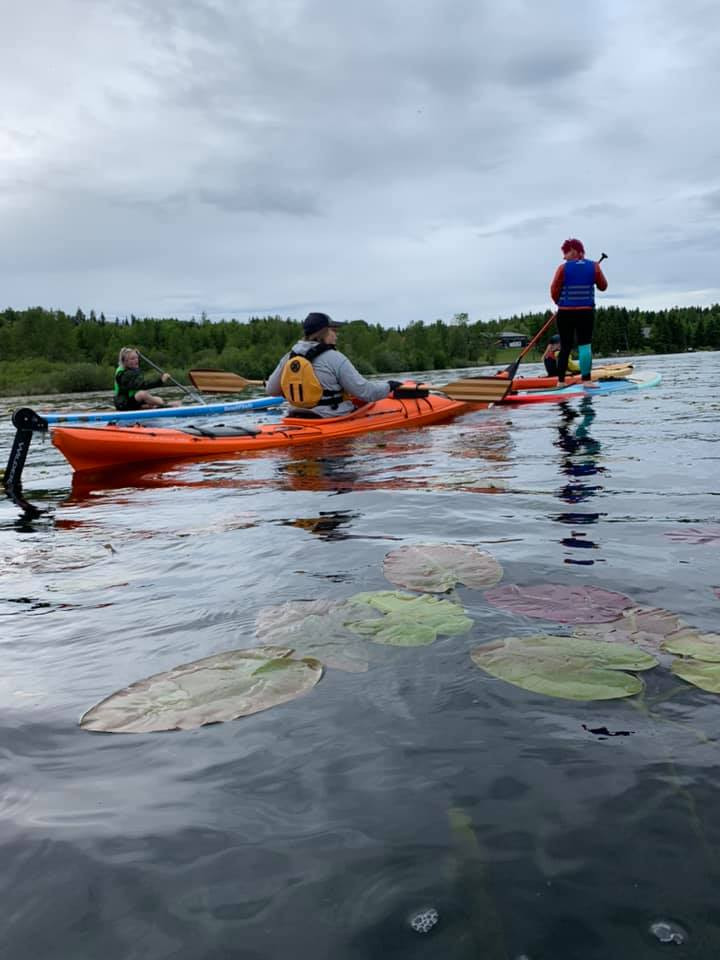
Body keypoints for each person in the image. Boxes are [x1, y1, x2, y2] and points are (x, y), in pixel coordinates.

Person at [265, 312, 401, 418]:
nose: (336, 335)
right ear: (324, 332)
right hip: (331, 417)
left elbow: (271, 390)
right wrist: (389, 386)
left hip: (297, 415)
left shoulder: (289, 357)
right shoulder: (335, 358)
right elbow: (366, 393)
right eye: (334, 330)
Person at [550, 238, 607, 383]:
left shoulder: (562, 268)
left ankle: (560, 382)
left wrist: (559, 303)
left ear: (575, 251)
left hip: (565, 313)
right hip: (585, 313)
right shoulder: (594, 266)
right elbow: (603, 286)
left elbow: (554, 290)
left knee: (565, 347)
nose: (564, 257)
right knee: (585, 346)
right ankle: (586, 381)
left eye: (566, 253)